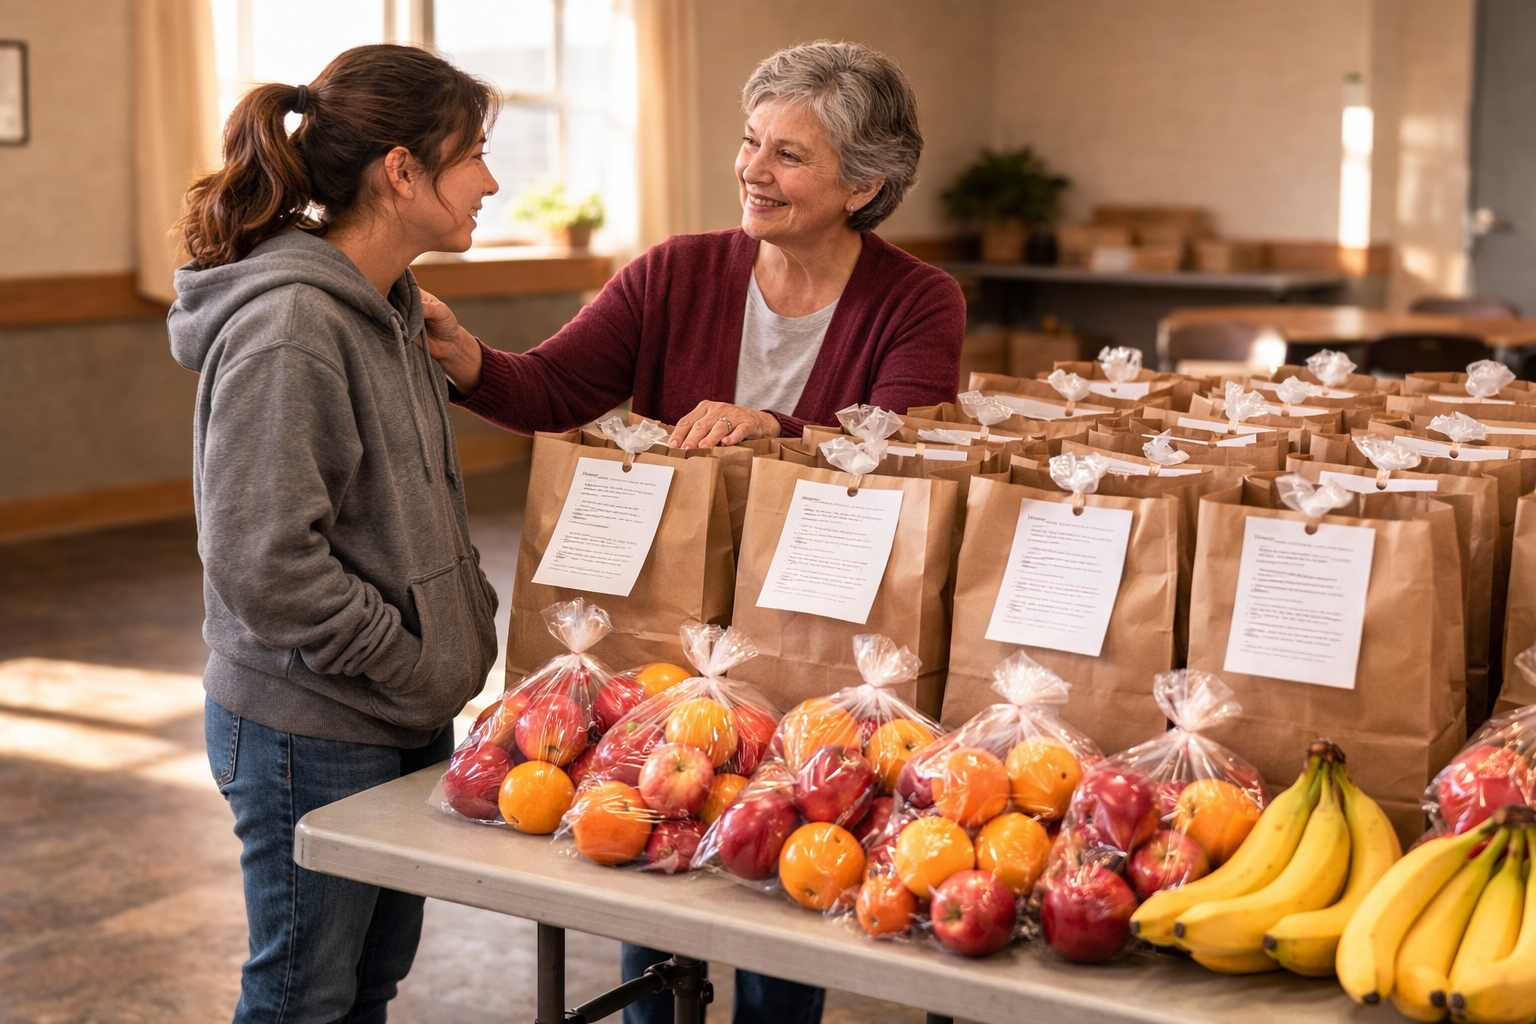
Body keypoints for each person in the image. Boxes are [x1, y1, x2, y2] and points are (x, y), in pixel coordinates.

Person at [421, 40, 965, 1024]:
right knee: (657, 832)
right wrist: (465, 356)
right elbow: (554, 387)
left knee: (786, 850)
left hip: (816, 628)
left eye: (789, 155)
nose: (754, 169)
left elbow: (904, 452)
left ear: (866, 182)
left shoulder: (920, 299)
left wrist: (780, 430)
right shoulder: (676, 272)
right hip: (671, 637)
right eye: (752, 142)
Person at [169, 45, 501, 1023]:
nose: (489, 179)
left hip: (395, 711)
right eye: (474, 153)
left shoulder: (395, 306)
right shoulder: (293, 325)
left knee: (367, 986)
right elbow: (262, 562)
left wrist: (450, 637)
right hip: (307, 725)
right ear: (403, 171)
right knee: (301, 996)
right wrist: (408, 660)